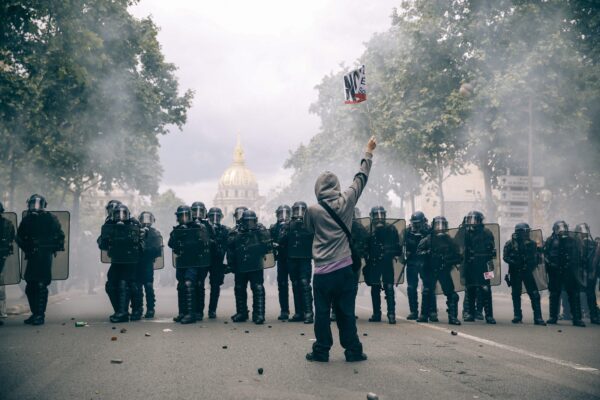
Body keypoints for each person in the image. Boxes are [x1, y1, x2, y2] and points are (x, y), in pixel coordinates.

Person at [304, 136, 375, 363]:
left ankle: (321, 350)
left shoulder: (313, 210)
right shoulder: (347, 201)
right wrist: (368, 152)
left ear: (317, 189)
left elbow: (309, 231)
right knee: (346, 312)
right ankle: (353, 351)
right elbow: (360, 178)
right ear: (336, 186)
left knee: (322, 314)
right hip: (345, 270)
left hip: (322, 273)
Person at [17, 194, 66, 326]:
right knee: (30, 286)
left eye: (37, 204)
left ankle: (40, 316)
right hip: (32, 255)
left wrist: (51, 246)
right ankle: (34, 314)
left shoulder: (51, 218)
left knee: (40, 285)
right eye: (33, 204)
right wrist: (27, 247)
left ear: (44, 205)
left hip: (44, 256)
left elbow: (60, 236)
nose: (35, 207)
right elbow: (19, 237)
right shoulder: (27, 220)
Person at [98, 203, 142, 323]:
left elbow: (141, 241)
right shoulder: (109, 224)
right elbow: (102, 243)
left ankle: (126, 312)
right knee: (111, 284)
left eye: (122, 213)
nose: (120, 216)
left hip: (130, 260)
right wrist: (106, 236)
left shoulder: (134, 223)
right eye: (117, 213)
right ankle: (119, 311)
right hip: (117, 259)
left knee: (124, 282)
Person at [168, 205, 212, 324]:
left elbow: (204, 242)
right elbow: (171, 244)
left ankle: (191, 314)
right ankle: (182, 312)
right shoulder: (177, 229)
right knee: (181, 285)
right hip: (182, 261)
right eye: (181, 216)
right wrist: (178, 233)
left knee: (189, 283)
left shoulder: (199, 227)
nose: (183, 218)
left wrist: (196, 232)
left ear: (190, 216)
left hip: (194, 262)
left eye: (186, 215)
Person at [227, 210, 272, 324]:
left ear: (255, 221)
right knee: (239, 288)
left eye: (251, 221)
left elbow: (267, 245)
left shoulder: (260, 230)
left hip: (255, 264)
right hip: (240, 265)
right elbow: (231, 250)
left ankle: (259, 314)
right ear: (242, 221)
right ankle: (242, 313)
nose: (249, 224)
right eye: (247, 221)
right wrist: (231, 265)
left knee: (258, 288)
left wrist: (260, 232)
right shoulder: (236, 232)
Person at [416, 216, 462, 325]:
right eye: (437, 225)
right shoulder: (427, 240)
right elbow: (418, 253)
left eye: (442, 225)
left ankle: (453, 317)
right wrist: (427, 253)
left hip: (444, 270)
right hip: (430, 269)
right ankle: (423, 315)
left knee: (452, 294)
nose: (440, 228)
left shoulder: (449, 241)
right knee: (427, 292)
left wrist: (448, 260)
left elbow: (458, 256)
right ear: (433, 226)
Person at [363, 206, 402, 325]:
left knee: (389, 288)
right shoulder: (368, 230)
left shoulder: (391, 229)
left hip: (386, 262)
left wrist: (390, 252)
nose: (379, 218)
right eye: (376, 215)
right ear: (372, 216)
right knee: (375, 287)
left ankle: (391, 314)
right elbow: (364, 246)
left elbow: (397, 247)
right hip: (374, 262)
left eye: (381, 215)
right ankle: (377, 314)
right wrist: (366, 255)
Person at [503, 223, 546, 325]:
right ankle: (517, 316)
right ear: (520, 232)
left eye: (528, 231)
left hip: (527, 271)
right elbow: (505, 257)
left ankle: (538, 317)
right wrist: (514, 262)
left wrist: (532, 264)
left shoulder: (532, 244)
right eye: (525, 231)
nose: (527, 233)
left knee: (535, 294)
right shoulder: (510, 243)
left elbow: (537, 257)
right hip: (515, 271)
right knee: (516, 294)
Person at [544, 221, 585, 327]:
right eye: (560, 227)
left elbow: (577, 255)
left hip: (569, 272)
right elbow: (545, 255)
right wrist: (550, 265)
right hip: (555, 272)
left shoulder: (572, 240)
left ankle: (577, 318)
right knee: (554, 295)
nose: (562, 229)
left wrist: (573, 266)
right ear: (555, 229)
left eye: (564, 227)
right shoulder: (550, 241)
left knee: (573, 295)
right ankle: (553, 317)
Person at [459, 211, 497, 324]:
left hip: (484, 265)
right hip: (469, 266)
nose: (472, 222)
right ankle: (469, 313)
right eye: (470, 219)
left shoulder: (487, 232)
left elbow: (492, 250)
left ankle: (489, 315)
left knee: (486, 289)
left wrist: (491, 269)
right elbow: (457, 242)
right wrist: (462, 227)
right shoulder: (465, 232)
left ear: (480, 220)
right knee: (470, 289)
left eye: (474, 219)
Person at [285, 201, 315, 323]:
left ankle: (308, 313)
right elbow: (282, 240)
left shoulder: (309, 224)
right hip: (292, 257)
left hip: (305, 257)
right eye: (297, 210)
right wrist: (288, 228)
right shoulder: (289, 224)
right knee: (295, 284)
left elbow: (315, 237)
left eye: (302, 210)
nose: (299, 213)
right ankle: (299, 312)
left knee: (304, 283)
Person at [404, 211, 435, 320]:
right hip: (412, 261)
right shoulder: (407, 232)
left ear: (423, 222)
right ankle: (413, 311)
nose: (416, 225)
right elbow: (402, 245)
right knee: (411, 287)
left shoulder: (429, 231)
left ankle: (431, 311)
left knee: (428, 287)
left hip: (426, 262)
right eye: (414, 223)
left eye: (418, 223)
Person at [132, 211, 163, 319]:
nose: (146, 222)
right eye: (143, 219)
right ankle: (137, 309)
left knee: (148, 285)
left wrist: (147, 248)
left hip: (148, 262)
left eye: (148, 219)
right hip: (136, 262)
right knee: (137, 286)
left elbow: (158, 250)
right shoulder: (135, 231)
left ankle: (150, 309)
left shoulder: (155, 233)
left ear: (152, 220)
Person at [205, 207, 230, 319]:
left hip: (218, 260)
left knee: (215, 286)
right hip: (204, 259)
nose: (215, 219)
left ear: (221, 218)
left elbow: (230, 246)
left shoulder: (225, 230)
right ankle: (198, 311)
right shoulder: (203, 228)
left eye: (217, 216)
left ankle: (212, 310)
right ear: (208, 217)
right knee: (198, 284)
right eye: (212, 216)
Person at [270, 205, 292, 320]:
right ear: (277, 215)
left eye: (286, 214)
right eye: (281, 214)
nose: (284, 216)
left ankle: (302, 311)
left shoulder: (294, 226)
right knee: (282, 285)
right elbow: (270, 241)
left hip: (293, 258)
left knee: (299, 284)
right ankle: (284, 310)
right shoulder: (274, 228)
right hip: (282, 259)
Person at [574, 223, 599, 324]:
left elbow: (594, 259)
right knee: (576, 294)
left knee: (590, 295)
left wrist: (592, 271)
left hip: (588, 272)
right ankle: (577, 317)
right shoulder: (573, 243)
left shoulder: (592, 244)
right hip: (578, 272)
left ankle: (593, 316)